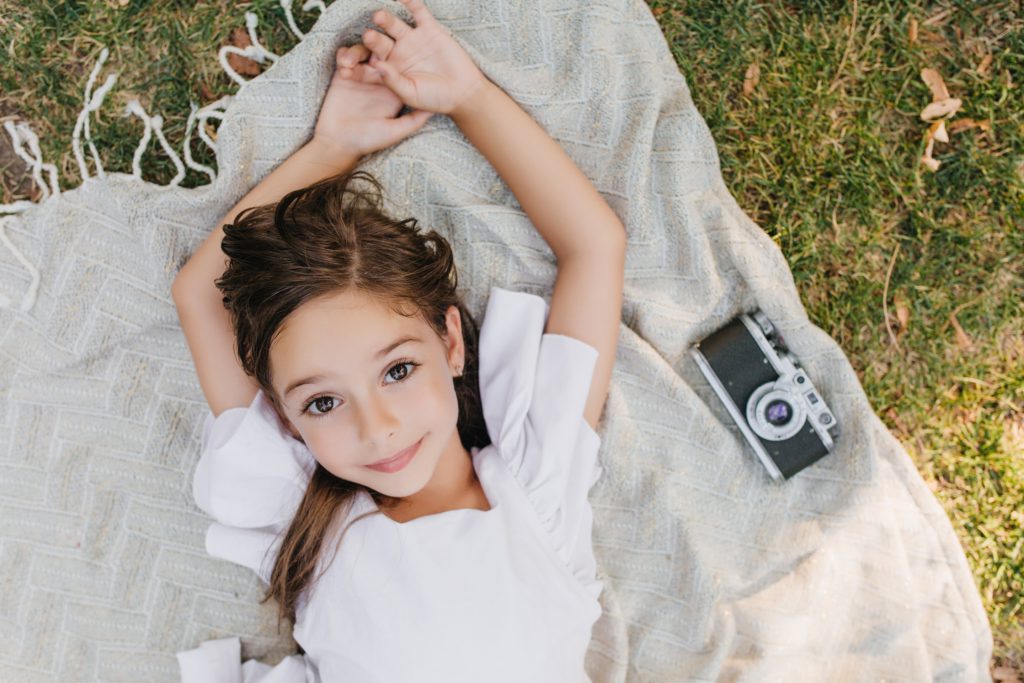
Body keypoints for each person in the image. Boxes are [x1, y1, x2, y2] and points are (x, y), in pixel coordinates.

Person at [172, 0, 625, 680]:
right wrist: (334, 146)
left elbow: (595, 246)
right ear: (285, 415)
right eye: (323, 402)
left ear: (450, 341)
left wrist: (469, 97)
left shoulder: (536, 493)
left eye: (396, 370)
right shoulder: (303, 519)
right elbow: (201, 294)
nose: (378, 429)